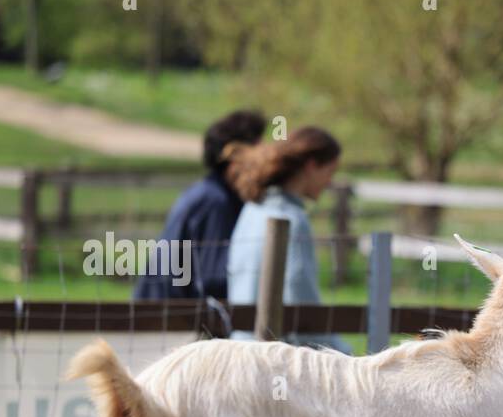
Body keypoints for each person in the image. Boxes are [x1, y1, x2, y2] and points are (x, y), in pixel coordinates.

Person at [226, 127, 351, 353]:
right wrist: (338, 353)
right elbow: (302, 299)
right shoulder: (293, 220)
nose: (330, 182)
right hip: (275, 357)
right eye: (330, 172)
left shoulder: (252, 208)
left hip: (240, 350)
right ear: (312, 165)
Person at [133, 110, 266, 300]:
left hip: (167, 315)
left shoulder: (207, 192)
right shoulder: (215, 202)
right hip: (172, 320)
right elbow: (214, 280)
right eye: (259, 153)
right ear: (235, 156)